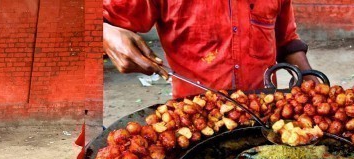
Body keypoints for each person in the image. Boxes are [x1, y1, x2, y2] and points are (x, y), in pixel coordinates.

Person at [103, 0, 316, 98]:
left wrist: (308, 77)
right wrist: (106, 34)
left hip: (262, 112)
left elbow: (286, 39)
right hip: (195, 116)